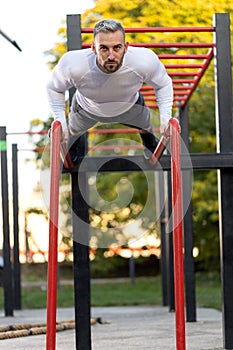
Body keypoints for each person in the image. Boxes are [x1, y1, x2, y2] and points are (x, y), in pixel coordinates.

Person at [47, 19, 173, 163]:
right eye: (104, 48)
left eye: (117, 48)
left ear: (126, 47)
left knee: (145, 124)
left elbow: (163, 84)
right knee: (73, 130)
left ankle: (148, 141)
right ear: (93, 48)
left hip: (129, 105)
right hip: (87, 107)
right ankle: (77, 145)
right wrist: (60, 121)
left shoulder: (143, 61)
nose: (111, 56)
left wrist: (165, 118)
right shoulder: (74, 64)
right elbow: (54, 88)